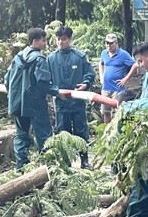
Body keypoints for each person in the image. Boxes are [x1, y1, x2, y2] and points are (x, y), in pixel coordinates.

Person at [6, 28, 58, 168]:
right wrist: (57, 92)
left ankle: (21, 167)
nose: (45, 43)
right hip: (35, 105)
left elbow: (7, 80)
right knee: (44, 135)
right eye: (43, 40)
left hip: (17, 104)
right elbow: (43, 83)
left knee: (21, 135)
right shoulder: (40, 59)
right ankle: (48, 166)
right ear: (35, 41)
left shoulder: (17, 58)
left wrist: (14, 96)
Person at [47, 26, 96, 168]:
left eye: (63, 39)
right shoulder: (51, 59)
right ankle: (66, 162)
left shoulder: (79, 57)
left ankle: (84, 160)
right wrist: (54, 92)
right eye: (58, 39)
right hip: (61, 104)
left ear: (70, 39)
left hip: (78, 103)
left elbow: (90, 74)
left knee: (81, 131)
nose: (60, 42)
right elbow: (46, 79)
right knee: (63, 132)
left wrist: (86, 84)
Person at [98, 33, 138, 124]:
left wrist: (126, 78)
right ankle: (106, 133)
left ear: (116, 43)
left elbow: (135, 65)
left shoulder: (123, 54)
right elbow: (101, 63)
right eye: (107, 43)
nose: (109, 45)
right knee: (106, 112)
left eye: (111, 43)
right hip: (105, 88)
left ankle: (117, 132)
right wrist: (101, 76)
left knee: (117, 113)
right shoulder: (104, 53)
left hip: (118, 89)